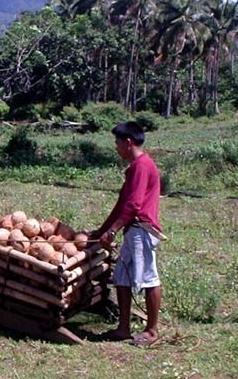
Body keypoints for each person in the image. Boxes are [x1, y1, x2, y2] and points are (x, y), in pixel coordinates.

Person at [92, 121, 162, 346]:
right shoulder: (135, 167)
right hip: (133, 230)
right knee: (122, 278)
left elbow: (133, 206)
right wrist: (101, 231)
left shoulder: (142, 166)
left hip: (142, 229)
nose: (116, 147)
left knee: (149, 278)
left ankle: (151, 331)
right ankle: (123, 328)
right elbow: (121, 205)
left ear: (128, 142)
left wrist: (112, 231)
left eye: (117, 143)